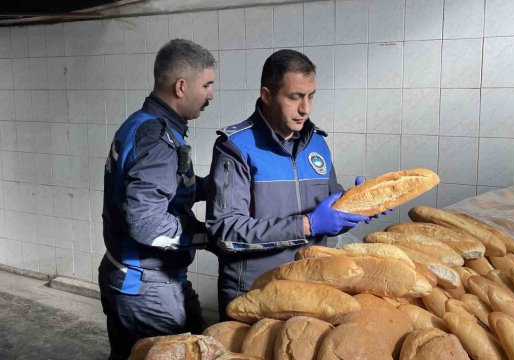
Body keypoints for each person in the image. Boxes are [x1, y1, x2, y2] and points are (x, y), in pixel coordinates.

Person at [206, 49, 374, 321]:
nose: (305, 108)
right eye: (295, 97)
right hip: (256, 296)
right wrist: (307, 225)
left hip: (314, 291)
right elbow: (226, 230)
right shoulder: (235, 147)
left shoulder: (317, 142)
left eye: (311, 96)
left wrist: (353, 208)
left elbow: (328, 210)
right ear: (267, 95)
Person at [98, 39, 215, 360]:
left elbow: (166, 189)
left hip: (126, 273)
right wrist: (207, 238)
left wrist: (214, 187)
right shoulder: (158, 138)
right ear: (181, 86)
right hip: (146, 286)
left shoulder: (141, 124)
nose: (210, 95)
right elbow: (148, 223)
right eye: (206, 85)